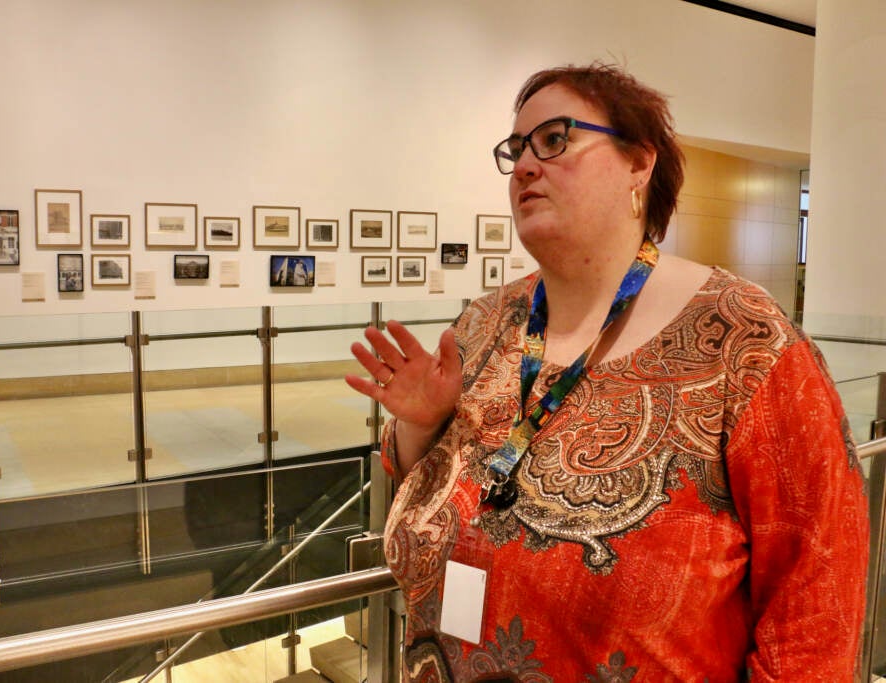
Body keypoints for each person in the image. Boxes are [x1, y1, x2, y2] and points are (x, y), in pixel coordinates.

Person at [346, 63, 868, 682]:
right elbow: (420, 489)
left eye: (555, 138)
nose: (524, 166)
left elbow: (815, 612)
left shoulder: (745, 342)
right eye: (516, 150)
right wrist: (420, 429)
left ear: (638, 164)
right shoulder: (484, 325)